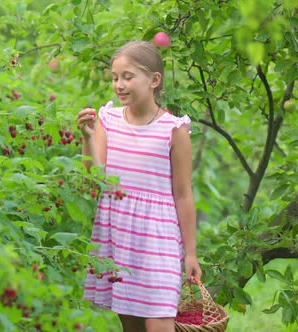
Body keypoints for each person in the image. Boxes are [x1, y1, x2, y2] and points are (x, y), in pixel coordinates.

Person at [76, 40, 202, 332]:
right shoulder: (108, 119)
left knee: (159, 323)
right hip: (119, 235)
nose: (119, 84)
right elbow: (97, 176)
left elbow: (183, 194)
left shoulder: (173, 129)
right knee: (131, 325)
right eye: (115, 78)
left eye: (128, 77)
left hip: (158, 239)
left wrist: (191, 252)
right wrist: (86, 137)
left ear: (154, 80)